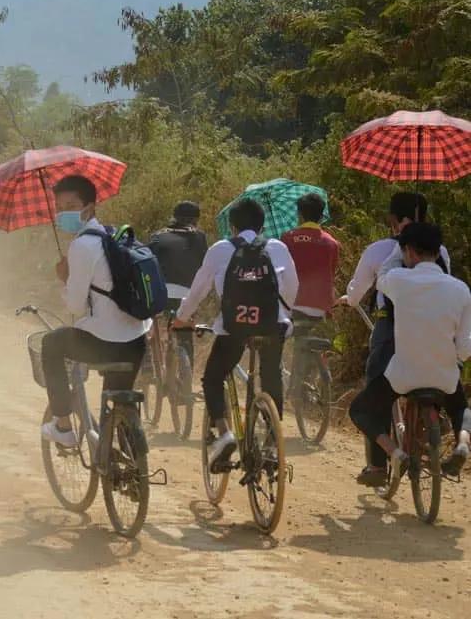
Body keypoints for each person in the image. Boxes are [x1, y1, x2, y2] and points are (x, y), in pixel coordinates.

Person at [173, 198, 299, 469]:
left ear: (232, 226)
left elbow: (198, 290)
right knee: (271, 376)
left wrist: (181, 318)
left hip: (234, 328)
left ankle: (225, 433)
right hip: (272, 326)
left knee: (213, 378)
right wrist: (281, 314)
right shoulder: (277, 247)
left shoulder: (220, 249)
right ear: (262, 225)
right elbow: (292, 287)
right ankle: (271, 442)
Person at [348, 223, 471, 485]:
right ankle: (462, 444)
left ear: (409, 252)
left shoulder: (399, 280)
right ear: (439, 253)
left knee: (359, 410)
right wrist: (452, 360)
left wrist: (397, 249)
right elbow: (464, 346)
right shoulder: (460, 289)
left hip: (403, 376)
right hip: (444, 375)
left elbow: (381, 277)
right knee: (461, 407)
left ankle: (395, 453)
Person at [40, 175, 152, 446]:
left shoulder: (82, 245)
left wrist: (65, 279)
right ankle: (128, 457)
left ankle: (64, 426)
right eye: (59, 207)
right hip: (137, 340)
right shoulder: (115, 237)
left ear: (88, 208)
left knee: (51, 343)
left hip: (103, 344)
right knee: (117, 396)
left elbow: (75, 306)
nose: (63, 212)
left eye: (70, 204)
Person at [341, 192, 450, 382]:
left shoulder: (379, 249)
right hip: (434, 324)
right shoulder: (440, 250)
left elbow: (359, 290)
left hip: (391, 323)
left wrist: (350, 299)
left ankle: (374, 409)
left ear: (396, 219)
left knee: (376, 378)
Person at [281, 193, 340, 399]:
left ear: (299, 214)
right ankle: (311, 378)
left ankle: (294, 387)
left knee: (281, 337)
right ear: (321, 216)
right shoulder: (332, 243)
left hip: (294, 304)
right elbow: (331, 276)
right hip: (321, 306)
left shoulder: (288, 238)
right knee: (313, 340)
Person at [149, 201, 208, 364]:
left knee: (151, 326)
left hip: (160, 293)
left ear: (174, 217)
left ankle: (149, 359)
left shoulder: (158, 235)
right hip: (187, 296)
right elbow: (203, 266)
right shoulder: (200, 237)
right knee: (184, 332)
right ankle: (185, 373)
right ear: (196, 220)